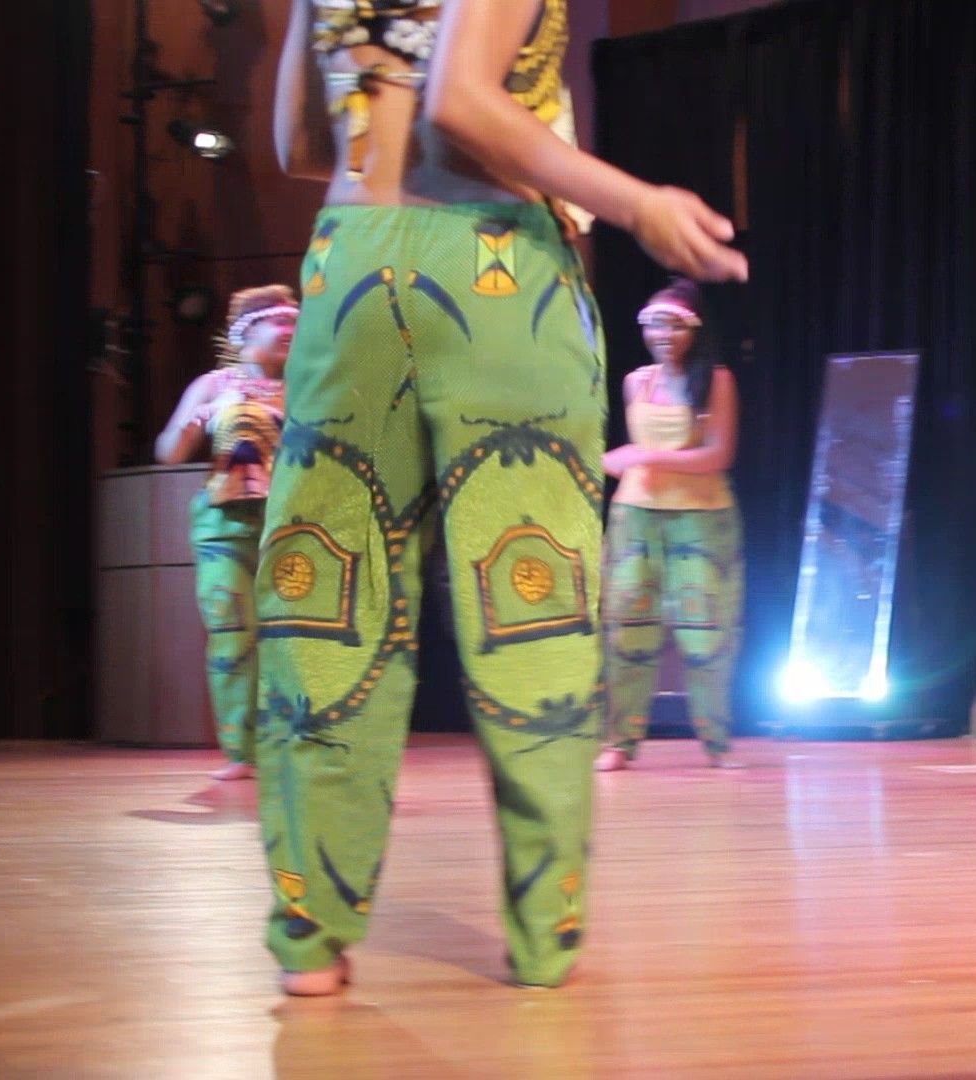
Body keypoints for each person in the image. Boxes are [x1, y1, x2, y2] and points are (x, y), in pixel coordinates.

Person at [261, 0, 746, 995]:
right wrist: (639, 204)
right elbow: (465, 105)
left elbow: (297, 143)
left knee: (327, 602)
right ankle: (542, 932)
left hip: (348, 266)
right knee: (531, 606)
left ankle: (311, 937)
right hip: (493, 273)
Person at [596, 280, 744, 771]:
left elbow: (718, 455)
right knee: (627, 629)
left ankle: (717, 742)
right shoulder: (637, 381)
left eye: (674, 325)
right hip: (635, 516)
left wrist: (644, 455)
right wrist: (638, 462)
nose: (663, 334)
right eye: (654, 324)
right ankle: (620, 740)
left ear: (694, 330)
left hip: (702, 519)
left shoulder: (715, 380)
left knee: (706, 633)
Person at [154, 286, 298, 781]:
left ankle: (292, 742)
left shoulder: (308, 384)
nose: (290, 333)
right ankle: (242, 751)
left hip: (291, 527)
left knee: (292, 639)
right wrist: (194, 423)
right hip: (225, 526)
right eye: (280, 324)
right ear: (245, 332)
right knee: (233, 632)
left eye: (295, 326)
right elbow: (169, 452)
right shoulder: (213, 386)